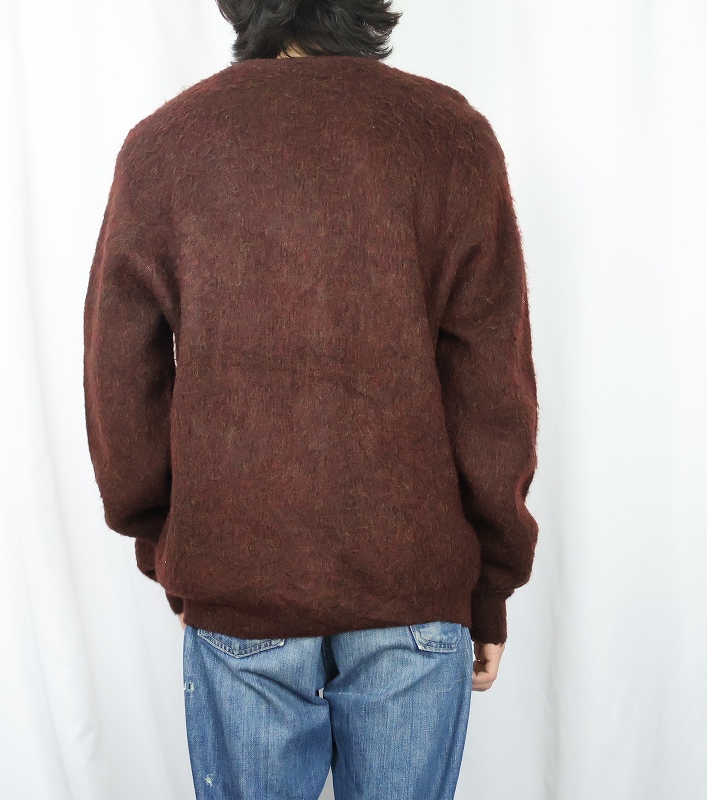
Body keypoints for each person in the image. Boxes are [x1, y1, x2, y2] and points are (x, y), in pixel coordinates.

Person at [83, 1, 540, 797]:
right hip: (414, 590)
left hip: (239, 582)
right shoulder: (450, 136)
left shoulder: (165, 146)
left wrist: (166, 543)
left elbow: (119, 376)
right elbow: (493, 388)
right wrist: (490, 585)